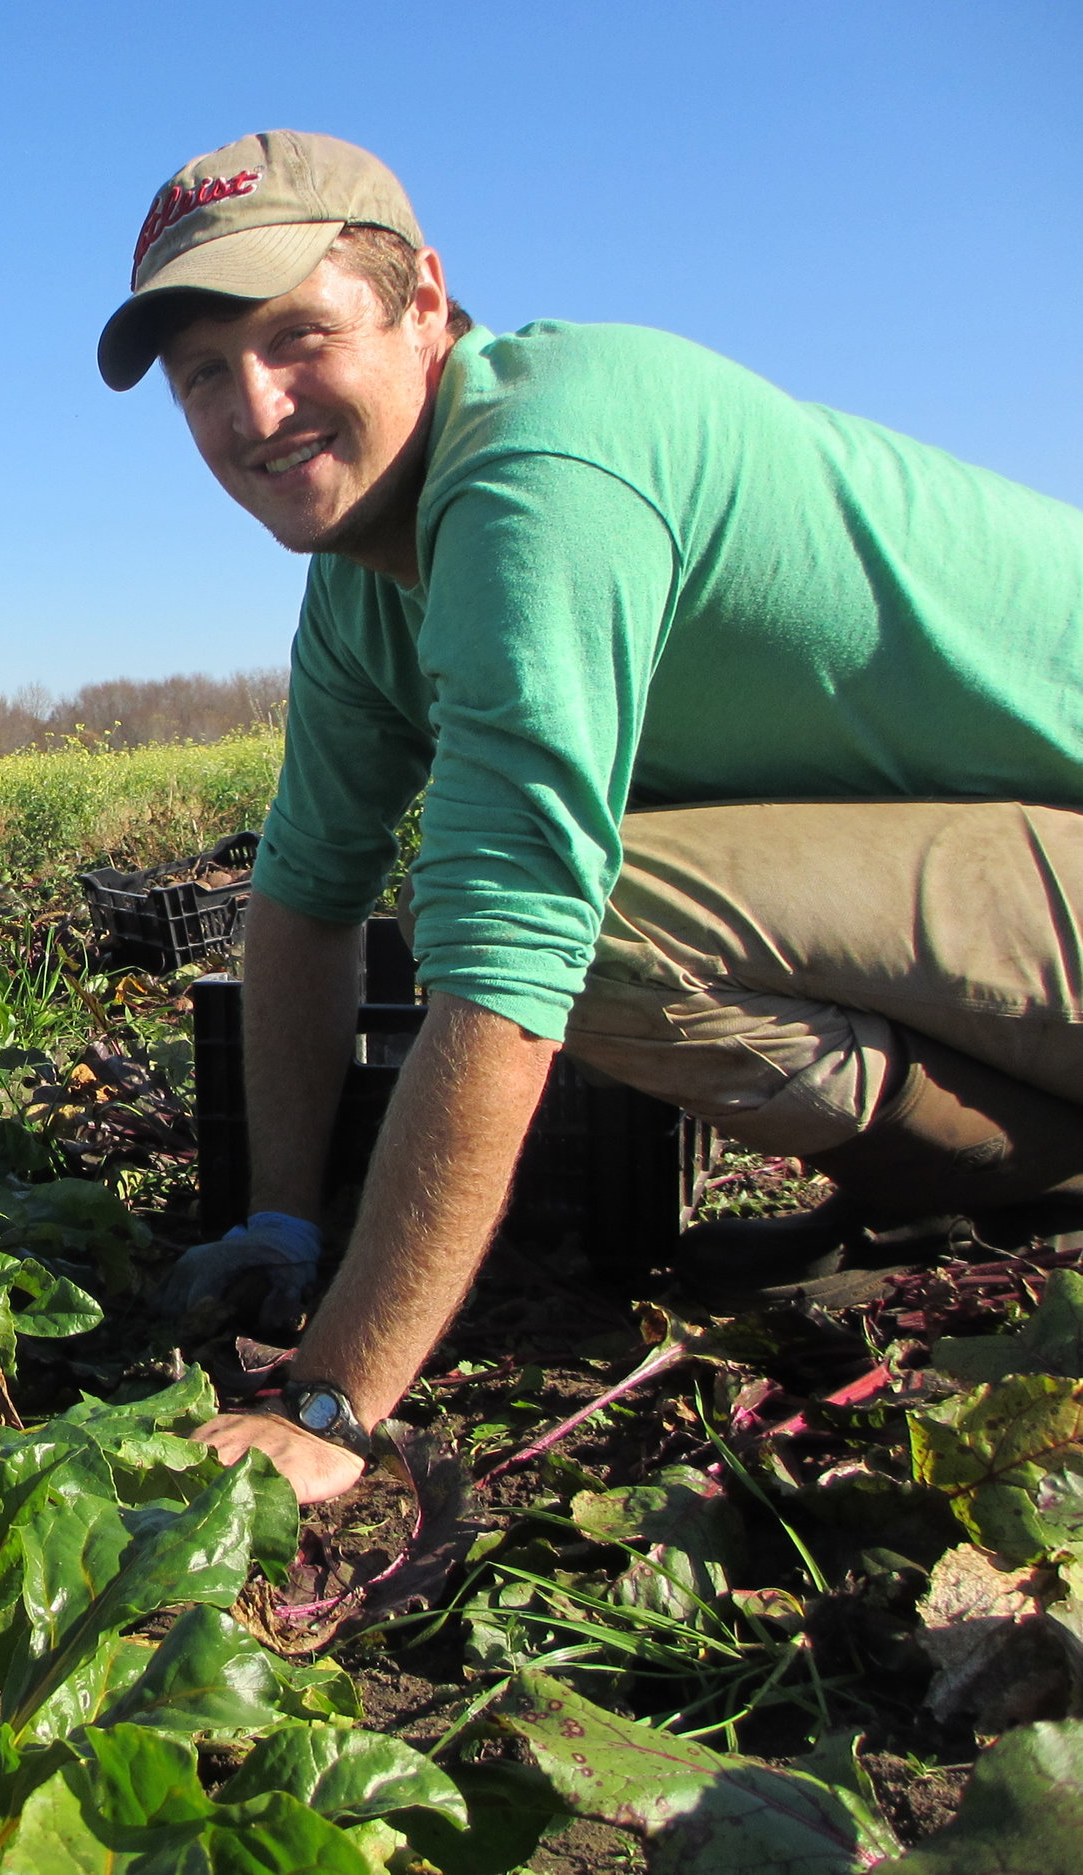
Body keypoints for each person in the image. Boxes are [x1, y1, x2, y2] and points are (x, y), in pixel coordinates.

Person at [94, 129, 1083, 1503]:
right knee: (549, 907)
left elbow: (509, 960)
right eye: (206, 373)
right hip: (1008, 864)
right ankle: (981, 1160)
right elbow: (307, 898)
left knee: (587, 921)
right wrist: (281, 1217)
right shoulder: (366, 578)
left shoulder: (538, 471)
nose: (255, 409)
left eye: (297, 338)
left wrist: (333, 1397)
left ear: (424, 304)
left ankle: (1034, 1171)